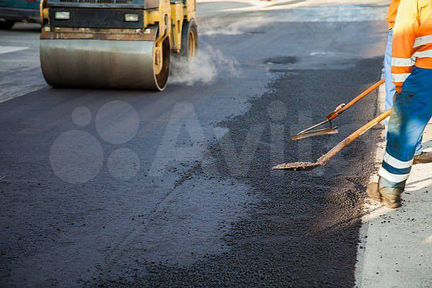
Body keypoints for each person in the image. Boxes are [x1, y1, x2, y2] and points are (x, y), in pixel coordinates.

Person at [368, 0, 432, 208]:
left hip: (426, 72)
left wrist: (400, 84)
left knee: (404, 129)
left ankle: (389, 188)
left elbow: (403, 39)